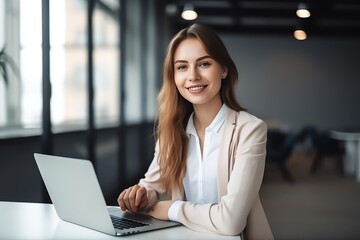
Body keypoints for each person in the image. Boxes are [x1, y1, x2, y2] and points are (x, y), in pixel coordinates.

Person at [118, 23, 273, 239]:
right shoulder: (173, 130)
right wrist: (142, 194)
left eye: (204, 64)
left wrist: (173, 209)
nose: (193, 76)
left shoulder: (250, 129)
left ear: (224, 70)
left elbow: (231, 221)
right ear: (173, 76)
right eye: (182, 67)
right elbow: (152, 184)